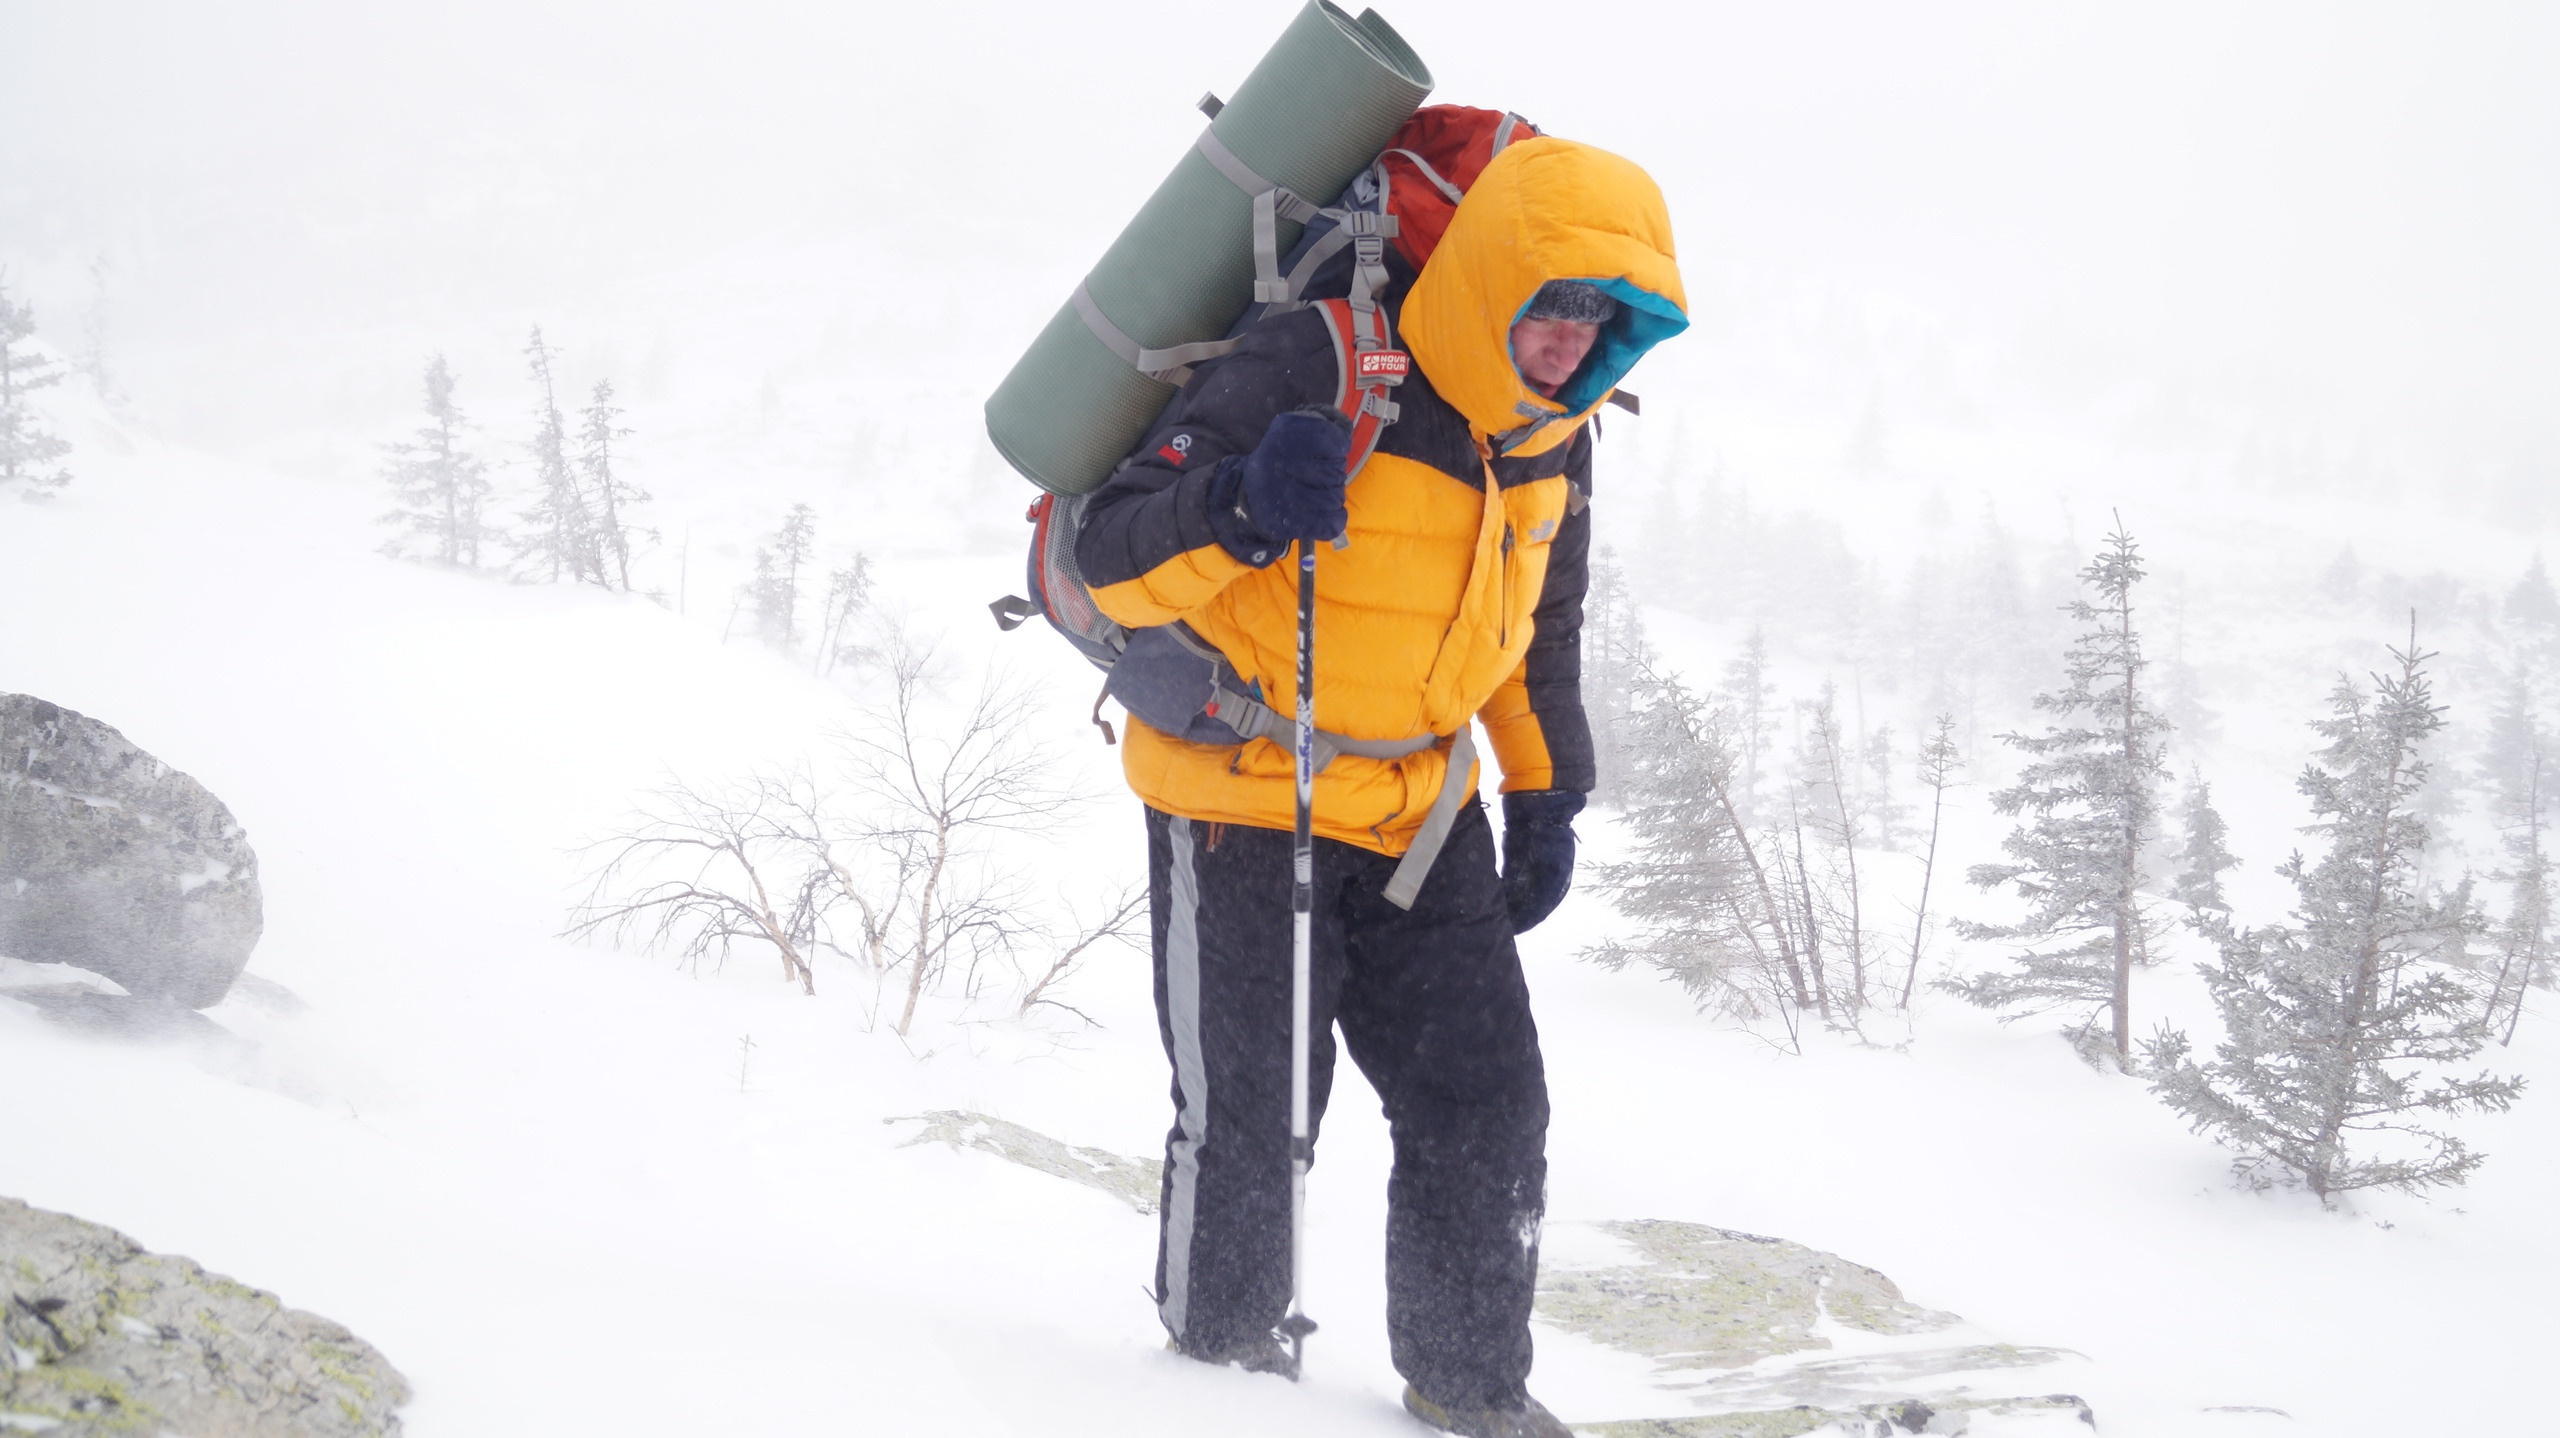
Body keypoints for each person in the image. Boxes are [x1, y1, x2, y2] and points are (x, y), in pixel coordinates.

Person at [1074, 135, 1686, 1438]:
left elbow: (1540, 625)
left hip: (1420, 815)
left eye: (1607, 314)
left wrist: (1546, 790)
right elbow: (1112, 553)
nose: (1577, 338)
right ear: (1491, 279)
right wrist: (1238, 503)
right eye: (1556, 300)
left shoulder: (1556, 437)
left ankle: (1469, 1383)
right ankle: (1215, 1379)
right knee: (1255, 1123)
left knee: (1488, 1100)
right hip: (1243, 795)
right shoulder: (1317, 360)